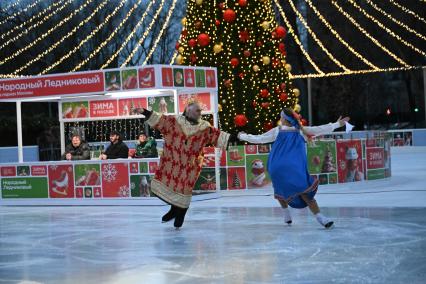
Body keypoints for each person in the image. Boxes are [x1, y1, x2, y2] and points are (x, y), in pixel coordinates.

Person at [238, 108, 349, 228]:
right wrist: (337, 124)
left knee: (280, 191)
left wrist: (243, 136)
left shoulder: (278, 130)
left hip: (277, 167)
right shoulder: (301, 131)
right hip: (294, 169)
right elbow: (320, 129)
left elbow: (260, 138)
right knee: (305, 193)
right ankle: (320, 217)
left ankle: (287, 214)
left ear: (283, 119)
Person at [134, 101, 236, 229]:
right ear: (188, 111)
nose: (200, 113)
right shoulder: (174, 121)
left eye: (200, 110)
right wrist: (145, 112)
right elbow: (159, 119)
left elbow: (219, 136)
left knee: (184, 188)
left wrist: (236, 136)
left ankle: (181, 212)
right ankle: (173, 210)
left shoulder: (205, 127)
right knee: (171, 185)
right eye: (197, 110)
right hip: (172, 163)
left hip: (191, 166)